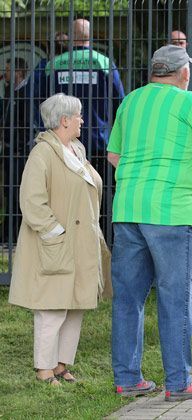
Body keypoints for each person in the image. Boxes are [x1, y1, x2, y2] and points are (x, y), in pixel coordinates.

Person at [107, 45, 192, 401]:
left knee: (128, 299)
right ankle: (178, 383)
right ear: (184, 74)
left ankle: (128, 379)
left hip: (128, 208)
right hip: (173, 214)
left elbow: (114, 155)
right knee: (177, 300)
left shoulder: (131, 101)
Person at [8, 93, 111, 386]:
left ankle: (61, 365)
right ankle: (43, 369)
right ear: (64, 120)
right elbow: (31, 201)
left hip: (81, 242)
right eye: (78, 115)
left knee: (75, 304)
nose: (82, 120)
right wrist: (56, 232)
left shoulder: (76, 149)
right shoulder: (42, 153)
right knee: (51, 308)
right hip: (55, 243)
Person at [45, 19, 125, 175]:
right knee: (99, 190)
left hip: (63, 141)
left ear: (70, 36)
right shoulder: (104, 63)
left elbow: (41, 99)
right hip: (99, 140)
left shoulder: (54, 64)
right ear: (90, 35)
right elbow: (120, 102)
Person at [2, 58, 30, 242]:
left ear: (18, 72)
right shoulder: (12, 93)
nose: (5, 74)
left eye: (8, 70)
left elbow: (25, 125)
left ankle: (12, 236)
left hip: (19, 152)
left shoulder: (26, 95)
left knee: (16, 192)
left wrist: (19, 147)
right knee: (10, 192)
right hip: (11, 150)